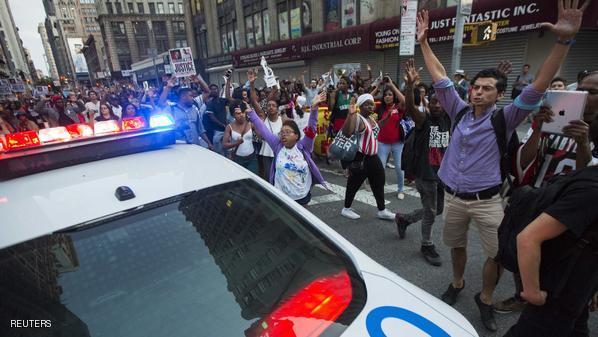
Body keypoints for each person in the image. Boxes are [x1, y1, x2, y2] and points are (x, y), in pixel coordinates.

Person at [416, 0, 587, 330]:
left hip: (488, 201)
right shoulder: (460, 110)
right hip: (452, 197)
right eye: (476, 87)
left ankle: (487, 299)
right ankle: (457, 283)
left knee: (499, 254)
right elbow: (439, 76)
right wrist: (424, 41)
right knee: (457, 246)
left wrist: (564, 41)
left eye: (486, 89)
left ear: (499, 95)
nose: (478, 92)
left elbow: (538, 85)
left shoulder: (506, 117)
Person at [494, 70, 598, 314]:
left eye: (592, 92)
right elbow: (522, 165)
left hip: (573, 218)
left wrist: (583, 144)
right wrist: (539, 129)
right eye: (581, 89)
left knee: (564, 278)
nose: (584, 96)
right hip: (539, 203)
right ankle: (525, 295)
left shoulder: (590, 135)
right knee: (525, 257)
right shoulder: (558, 121)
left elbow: (589, 182)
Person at [504, 165, 598, 337]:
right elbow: (528, 238)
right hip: (557, 298)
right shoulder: (591, 190)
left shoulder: (590, 174)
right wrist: (532, 293)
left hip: (577, 292)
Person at [395, 59, 451, 267]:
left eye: (441, 102)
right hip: (425, 173)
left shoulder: (449, 120)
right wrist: (410, 87)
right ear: (429, 104)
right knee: (430, 211)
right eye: (433, 102)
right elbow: (409, 107)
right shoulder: (423, 120)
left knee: (436, 209)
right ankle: (426, 244)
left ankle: (405, 219)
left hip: (442, 175)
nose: (437, 105)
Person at [247, 92, 328, 205]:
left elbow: (312, 129)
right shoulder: (277, 145)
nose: (283, 134)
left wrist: (314, 108)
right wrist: (250, 113)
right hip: (282, 197)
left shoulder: (304, 146)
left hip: (302, 194)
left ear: (296, 136)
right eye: (282, 132)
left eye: (288, 132)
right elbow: (263, 130)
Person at [340, 94, 396, 221]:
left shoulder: (371, 119)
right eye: (367, 104)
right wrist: (351, 114)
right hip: (361, 157)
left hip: (373, 157)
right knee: (354, 184)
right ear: (360, 106)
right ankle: (346, 208)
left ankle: (382, 210)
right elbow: (347, 132)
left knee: (379, 181)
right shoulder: (358, 118)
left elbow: (377, 128)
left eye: (372, 103)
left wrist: (387, 117)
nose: (371, 106)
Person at [373, 75, 407, 200]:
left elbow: (404, 100)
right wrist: (377, 87)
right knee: (380, 168)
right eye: (386, 95)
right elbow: (366, 100)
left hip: (398, 143)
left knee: (399, 167)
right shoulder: (379, 107)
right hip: (382, 143)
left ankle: (401, 189)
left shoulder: (399, 108)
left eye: (390, 94)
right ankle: (379, 189)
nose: (388, 97)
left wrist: (392, 85)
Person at [249, 69, 283, 182]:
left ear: (278, 108)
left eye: (273, 105)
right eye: (268, 105)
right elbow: (254, 101)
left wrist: (272, 79)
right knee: (270, 178)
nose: (271, 107)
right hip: (267, 154)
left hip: (281, 153)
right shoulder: (263, 117)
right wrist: (252, 84)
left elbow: (275, 89)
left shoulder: (284, 120)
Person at [222, 100, 258, 173]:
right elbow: (224, 144)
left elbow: (261, 136)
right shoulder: (229, 127)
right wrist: (237, 143)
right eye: (238, 113)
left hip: (252, 158)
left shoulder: (250, 124)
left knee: (253, 179)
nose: (241, 115)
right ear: (233, 115)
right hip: (238, 159)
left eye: (243, 112)